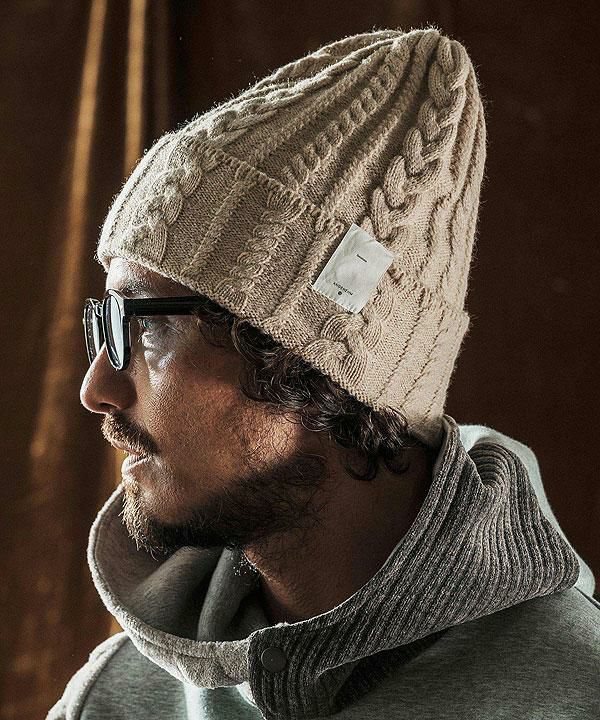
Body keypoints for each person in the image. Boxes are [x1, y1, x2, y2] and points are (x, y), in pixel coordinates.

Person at [48, 26, 599, 720]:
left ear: (316, 361)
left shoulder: (578, 694)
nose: (95, 389)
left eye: (147, 323)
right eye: (106, 321)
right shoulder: (117, 698)